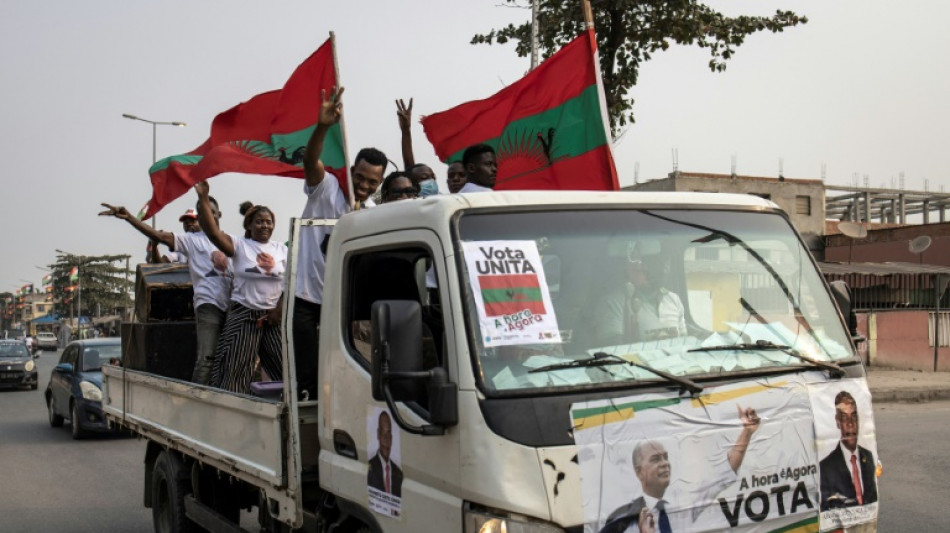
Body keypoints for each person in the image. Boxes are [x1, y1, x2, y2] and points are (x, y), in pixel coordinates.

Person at [293, 86, 387, 400]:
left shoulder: (372, 213)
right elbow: (311, 162)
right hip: (307, 298)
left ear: (379, 184)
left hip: (343, 303)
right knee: (307, 379)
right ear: (352, 171)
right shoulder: (328, 188)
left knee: (345, 375)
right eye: (359, 177)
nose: (363, 185)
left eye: (372, 182)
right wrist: (322, 127)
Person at [99, 199, 231, 385]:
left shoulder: (231, 241)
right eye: (202, 215)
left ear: (219, 215)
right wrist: (129, 217)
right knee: (207, 358)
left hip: (232, 305)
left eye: (209, 214)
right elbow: (159, 249)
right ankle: (195, 397)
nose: (190, 224)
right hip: (207, 305)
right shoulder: (190, 241)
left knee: (229, 358)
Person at [600, 405, 761, 533]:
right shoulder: (623, 522)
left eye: (665, 457)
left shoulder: (683, 500)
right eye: (656, 459)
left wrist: (746, 433)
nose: (664, 463)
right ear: (639, 471)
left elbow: (723, 475)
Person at [195, 183, 287, 394]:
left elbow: (291, 282)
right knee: (234, 373)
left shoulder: (281, 249)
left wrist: (280, 308)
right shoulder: (240, 245)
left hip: (273, 317)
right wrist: (203, 198)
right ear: (249, 225)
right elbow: (212, 232)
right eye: (259, 222)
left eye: (269, 222)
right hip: (244, 316)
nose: (265, 225)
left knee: (286, 369)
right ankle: (229, 408)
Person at [597, 250, 687, 345]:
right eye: (655, 266)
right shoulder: (614, 302)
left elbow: (684, 341)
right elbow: (615, 348)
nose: (663, 271)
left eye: (666, 265)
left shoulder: (673, 299)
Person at [819, 391, 878, 510]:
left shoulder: (868, 457)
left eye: (854, 416)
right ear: (837, 422)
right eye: (844, 417)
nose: (850, 423)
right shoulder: (826, 467)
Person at [395, 98, 440, 197]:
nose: (431, 182)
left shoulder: (445, 200)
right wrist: (406, 131)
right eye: (424, 178)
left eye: (432, 177)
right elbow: (409, 166)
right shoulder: (411, 203)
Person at [367, 410, 403, 497]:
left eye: (388, 433)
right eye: (383, 433)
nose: (386, 440)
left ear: (391, 438)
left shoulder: (398, 474)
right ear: (378, 434)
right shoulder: (369, 468)